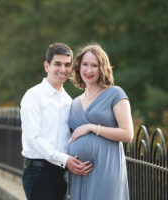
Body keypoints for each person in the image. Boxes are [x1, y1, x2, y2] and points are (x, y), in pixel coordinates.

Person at [20, 42, 93, 200]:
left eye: (67, 65)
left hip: (62, 173)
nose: (62, 69)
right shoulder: (33, 96)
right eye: (57, 64)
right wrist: (65, 159)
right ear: (47, 66)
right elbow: (33, 138)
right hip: (38, 173)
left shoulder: (69, 101)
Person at [68, 44, 134, 200]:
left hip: (107, 168)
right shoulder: (75, 102)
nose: (88, 70)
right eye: (85, 64)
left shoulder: (115, 93)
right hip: (80, 173)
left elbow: (128, 134)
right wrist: (69, 161)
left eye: (94, 65)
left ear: (102, 68)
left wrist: (91, 127)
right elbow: (70, 136)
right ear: (78, 67)